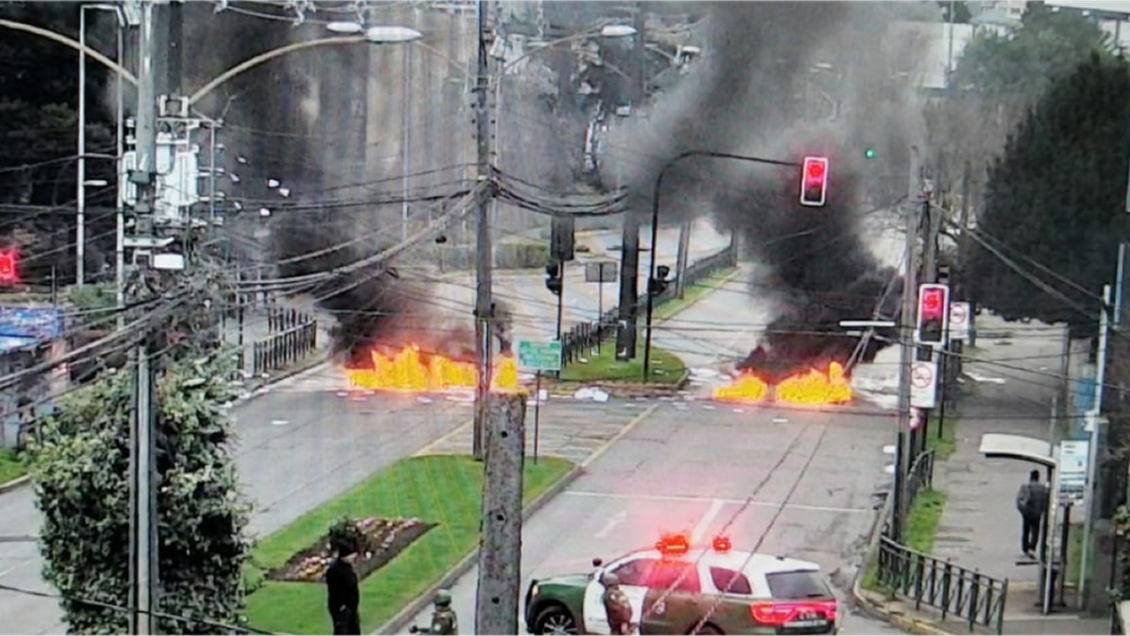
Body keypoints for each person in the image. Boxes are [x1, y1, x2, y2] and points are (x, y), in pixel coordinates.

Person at [325, 537, 361, 635]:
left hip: (351, 609)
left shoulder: (348, 567)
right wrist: (342, 607)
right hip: (343, 610)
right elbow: (334, 590)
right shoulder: (335, 570)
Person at [1016, 469, 1049, 558]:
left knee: (1026, 530)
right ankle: (1032, 548)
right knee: (1035, 531)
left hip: (1027, 512)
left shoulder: (1026, 486)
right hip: (1037, 512)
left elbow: (1019, 500)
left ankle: (1025, 548)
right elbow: (1046, 500)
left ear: (1030, 477)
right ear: (1038, 477)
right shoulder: (1043, 488)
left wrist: (1022, 510)